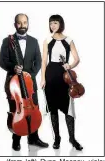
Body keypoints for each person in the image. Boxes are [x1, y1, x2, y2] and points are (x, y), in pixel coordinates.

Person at [0, 13, 49, 151]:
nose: (22, 25)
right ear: (15, 24)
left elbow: (39, 62)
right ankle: (16, 139)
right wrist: (13, 68)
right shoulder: (7, 40)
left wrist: (30, 74)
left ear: (28, 23)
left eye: (25, 22)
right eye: (19, 23)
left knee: (34, 110)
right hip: (14, 84)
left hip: (29, 84)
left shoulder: (34, 41)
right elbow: (2, 61)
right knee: (16, 110)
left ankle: (34, 138)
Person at [40, 14, 83, 150]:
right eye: (51, 23)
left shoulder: (69, 40)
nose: (53, 25)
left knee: (68, 110)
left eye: (55, 23)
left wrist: (70, 66)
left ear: (61, 24)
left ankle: (72, 138)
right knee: (52, 109)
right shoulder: (47, 40)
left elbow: (77, 59)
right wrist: (42, 79)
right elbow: (44, 61)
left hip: (65, 78)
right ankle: (57, 138)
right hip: (51, 76)